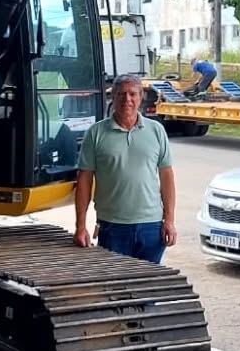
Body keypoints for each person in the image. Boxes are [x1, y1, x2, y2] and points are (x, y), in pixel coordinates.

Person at [73, 75, 176, 263]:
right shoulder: (96, 133)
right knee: (114, 287)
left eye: (132, 94)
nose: (127, 100)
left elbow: (167, 177)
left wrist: (169, 220)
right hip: (112, 227)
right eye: (121, 94)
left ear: (141, 96)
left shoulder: (156, 131)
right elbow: (84, 181)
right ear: (113, 97)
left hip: (151, 227)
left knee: (149, 286)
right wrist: (81, 225)